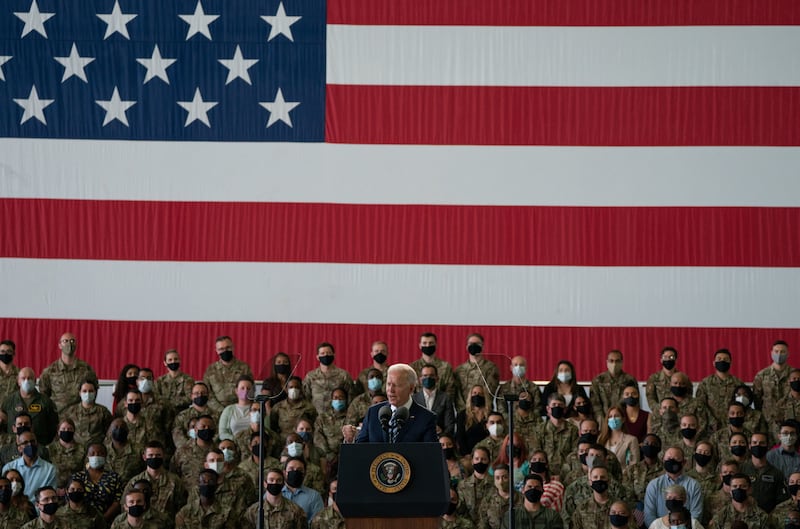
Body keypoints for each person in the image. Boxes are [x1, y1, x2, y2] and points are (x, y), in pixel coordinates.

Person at [353, 364, 437, 443]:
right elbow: (360, 449)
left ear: (411, 389)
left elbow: (430, 455)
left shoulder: (426, 418)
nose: (390, 390)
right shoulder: (373, 413)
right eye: (388, 384)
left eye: (396, 385)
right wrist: (350, 440)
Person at [38, 332, 99, 413]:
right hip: (57, 419)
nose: (69, 344)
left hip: (80, 418)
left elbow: (93, 392)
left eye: (72, 341)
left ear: (76, 345)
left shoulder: (86, 369)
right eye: (65, 341)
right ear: (59, 345)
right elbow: (44, 397)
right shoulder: (49, 371)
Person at [126, 440, 187, 520]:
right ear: (144, 457)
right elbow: (126, 508)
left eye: (158, 455)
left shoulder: (175, 481)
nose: (154, 458)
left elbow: (182, 509)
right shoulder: (134, 482)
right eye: (150, 455)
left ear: (163, 456)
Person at [644, 446, 703, 527]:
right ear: (663, 461)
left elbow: (696, 515)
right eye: (668, 459)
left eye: (676, 459)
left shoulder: (694, 485)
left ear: (684, 462)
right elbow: (649, 516)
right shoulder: (654, 485)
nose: (671, 461)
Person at [2, 367, 58, 445]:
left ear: (35, 381)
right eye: (23, 378)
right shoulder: (8, 402)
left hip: (39, 447)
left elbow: (53, 427)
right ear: (18, 381)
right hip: (14, 448)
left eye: (30, 378)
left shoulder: (46, 401)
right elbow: (2, 427)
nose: (27, 381)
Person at [72, 442, 125, 524]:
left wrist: (102, 520)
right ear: (87, 456)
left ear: (105, 456)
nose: (96, 456)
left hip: (107, 522)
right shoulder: (78, 477)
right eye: (92, 453)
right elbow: (71, 499)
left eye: (100, 453)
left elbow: (117, 502)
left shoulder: (114, 477)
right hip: (80, 522)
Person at [695, 349, 744, 432]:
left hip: (733, 428)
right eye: (719, 359)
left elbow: (742, 406)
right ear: (714, 363)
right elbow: (700, 405)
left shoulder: (738, 384)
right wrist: (712, 421)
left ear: (730, 363)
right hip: (711, 429)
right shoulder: (705, 383)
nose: (722, 361)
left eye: (725, 359)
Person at [1, 430, 56, 503]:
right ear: (19, 448)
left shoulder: (50, 469)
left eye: (33, 441)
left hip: (39, 511)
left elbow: (50, 495)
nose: (30, 444)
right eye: (25, 443)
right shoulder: (9, 467)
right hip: (14, 510)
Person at [740, 431, 788, 513]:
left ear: (768, 446)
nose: (758, 445)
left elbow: (782, 501)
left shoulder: (776, 473)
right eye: (755, 443)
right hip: (745, 516)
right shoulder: (741, 469)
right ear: (749, 446)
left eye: (762, 443)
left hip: (768, 518)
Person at [303, 342, 354, 416]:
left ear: (334, 355)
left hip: (338, 418)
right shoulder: (310, 376)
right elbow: (306, 398)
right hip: (316, 417)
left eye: (329, 353)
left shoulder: (343, 375)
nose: (326, 355)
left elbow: (351, 398)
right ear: (317, 357)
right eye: (322, 353)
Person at [203, 335, 253, 409]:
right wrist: (221, 410)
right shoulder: (210, 370)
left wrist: (238, 407)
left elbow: (249, 390)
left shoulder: (244, 368)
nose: (225, 351)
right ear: (216, 351)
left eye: (228, 348)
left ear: (233, 347)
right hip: (216, 412)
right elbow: (207, 393)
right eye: (221, 349)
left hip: (239, 409)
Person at [453, 333, 500, 412]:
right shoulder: (459, 370)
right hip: (464, 413)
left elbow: (490, 393)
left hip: (484, 412)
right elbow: (457, 395)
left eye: (477, 344)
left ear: (483, 347)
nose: (474, 346)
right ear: (467, 347)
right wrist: (465, 411)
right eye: (471, 344)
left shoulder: (491, 368)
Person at [533, 393, 578, 476]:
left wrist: (564, 473)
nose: (557, 407)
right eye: (554, 404)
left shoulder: (573, 430)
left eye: (560, 405)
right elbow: (536, 453)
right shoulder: (539, 430)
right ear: (548, 409)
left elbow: (575, 453)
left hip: (567, 474)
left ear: (565, 409)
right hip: (544, 473)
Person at [708, 473, 774, 529]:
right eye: (735, 486)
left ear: (750, 489)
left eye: (743, 486)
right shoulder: (721, 516)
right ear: (730, 491)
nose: (738, 489)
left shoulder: (762, 517)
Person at [752, 340, 792, 428]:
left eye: (782, 352)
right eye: (776, 351)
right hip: (768, 424)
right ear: (771, 353)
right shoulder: (761, 375)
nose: (779, 354)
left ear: (788, 354)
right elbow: (757, 401)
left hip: (791, 423)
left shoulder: (795, 375)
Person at [61, 380, 113, 446]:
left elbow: (110, 432)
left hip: (96, 450)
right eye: (84, 391)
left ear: (95, 392)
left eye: (91, 391)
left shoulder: (103, 411)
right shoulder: (71, 411)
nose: (87, 394)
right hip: (76, 449)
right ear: (80, 393)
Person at [590, 350, 638, 421]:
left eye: (617, 361)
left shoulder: (630, 380)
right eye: (611, 361)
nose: (614, 364)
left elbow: (634, 403)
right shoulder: (598, 380)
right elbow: (595, 404)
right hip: (603, 419)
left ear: (622, 362)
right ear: (607, 362)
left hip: (624, 419)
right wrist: (601, 421)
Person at [172, 382, 221, 450]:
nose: (200, 395)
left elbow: (219, 434)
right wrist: (189, 448)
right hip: (188, 453)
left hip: (211, 451)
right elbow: (177, 436)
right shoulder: (182, 416)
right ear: (191, 396)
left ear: (208, 395)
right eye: (196, 393)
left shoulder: (217, 415)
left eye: (203, 393)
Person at [413, 363, 456, 438]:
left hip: (439, 440)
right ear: (420, 379)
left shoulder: (445, 398)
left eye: (431, 375)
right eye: (425, 376)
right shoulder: (414, 399)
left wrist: (442, 436)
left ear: (437, 378)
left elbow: (450, 425)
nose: (428, 378)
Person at [410, 332, 456, 402]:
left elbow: (450, 389)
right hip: (418, 406)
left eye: (431, 343)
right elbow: (410, 389)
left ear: (436, 345)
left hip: (441, 407)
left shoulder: (446, 367)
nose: (428, 345)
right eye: (424, 343)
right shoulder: (412, 367)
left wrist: (441, 405)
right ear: (420, 345)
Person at [271, 376, 318, 442]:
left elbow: (314, 426)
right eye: (291, 387)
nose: (294, 389)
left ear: (301, 389)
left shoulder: (309, 407)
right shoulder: (278, 407)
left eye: (297, 387)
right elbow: (273, 427)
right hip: (283, 443)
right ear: (286, 389)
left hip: (303, 442)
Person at [478, 463, 523, 529]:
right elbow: (483, 525)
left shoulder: (522, 499)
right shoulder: (488, 500)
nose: (501, 481)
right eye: (497, 478)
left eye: (504, 477)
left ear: (510, 477)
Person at [281, 457, 324, 524]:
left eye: (299, 470)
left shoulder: (314, 496)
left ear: (304, 473)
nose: (295, 472)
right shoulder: (273, 495)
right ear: (284, 472)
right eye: (291, 469)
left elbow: (319, 523)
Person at [457, 447, 493, 525]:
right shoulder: (463, 485)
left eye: (483, 459)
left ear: (489, 462)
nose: (479, 461)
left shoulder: (496, 484)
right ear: (472, 461)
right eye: (477, 459)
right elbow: (461, 510)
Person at [47, 418, 84, 493]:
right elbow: (45, 472)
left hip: (75, 490)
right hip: (54, 490)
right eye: (63, 429)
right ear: (58, 431)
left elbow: (85, 471)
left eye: (70, 429)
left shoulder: (82, 449)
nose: (66, 431)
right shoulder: (49, 449)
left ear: (74, 431)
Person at [154, 349, 195, 414]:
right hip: (163, 414)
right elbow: (156, 398)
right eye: (170, 360)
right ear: (165, 363)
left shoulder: (188, 379)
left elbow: (190, 398)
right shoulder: (160, 381)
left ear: (180, 361)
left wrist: (169, 402)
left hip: (182, 414)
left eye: (176, 359)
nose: (173, 362)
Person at [645, 346, 684, 414]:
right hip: (660, 414)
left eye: (671, 357)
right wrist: (662, 409)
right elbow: (650, 399)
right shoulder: (654, 378)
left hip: (679, 414)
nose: (668, 360)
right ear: (661, 360)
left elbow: (688, 397)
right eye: (665, 357)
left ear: (676, 360)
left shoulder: (683, 378)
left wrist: (678, 410)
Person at [456, 385, 491, 456]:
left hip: (488, 454)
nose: (477, 395)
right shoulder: (462, 415)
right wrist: (466, 455)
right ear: (470, 396)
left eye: (480, 394)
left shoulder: (491, 415)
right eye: (474, 393)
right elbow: (460, 437)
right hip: (467, 454)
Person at [218, 375, 256, 441]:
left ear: (253, 391)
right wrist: (238, 441)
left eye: (248, 388)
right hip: (233, 446)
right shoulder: (228, 410)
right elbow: (222, 434)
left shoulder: (258, 408)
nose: (246, 391)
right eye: (242, 388)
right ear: (236, 391)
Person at [0, 341, 20, 405]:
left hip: (14, 412)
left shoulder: (20, 374)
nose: (5, 354)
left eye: (9, 351)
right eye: (2, 351)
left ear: (14, 354)